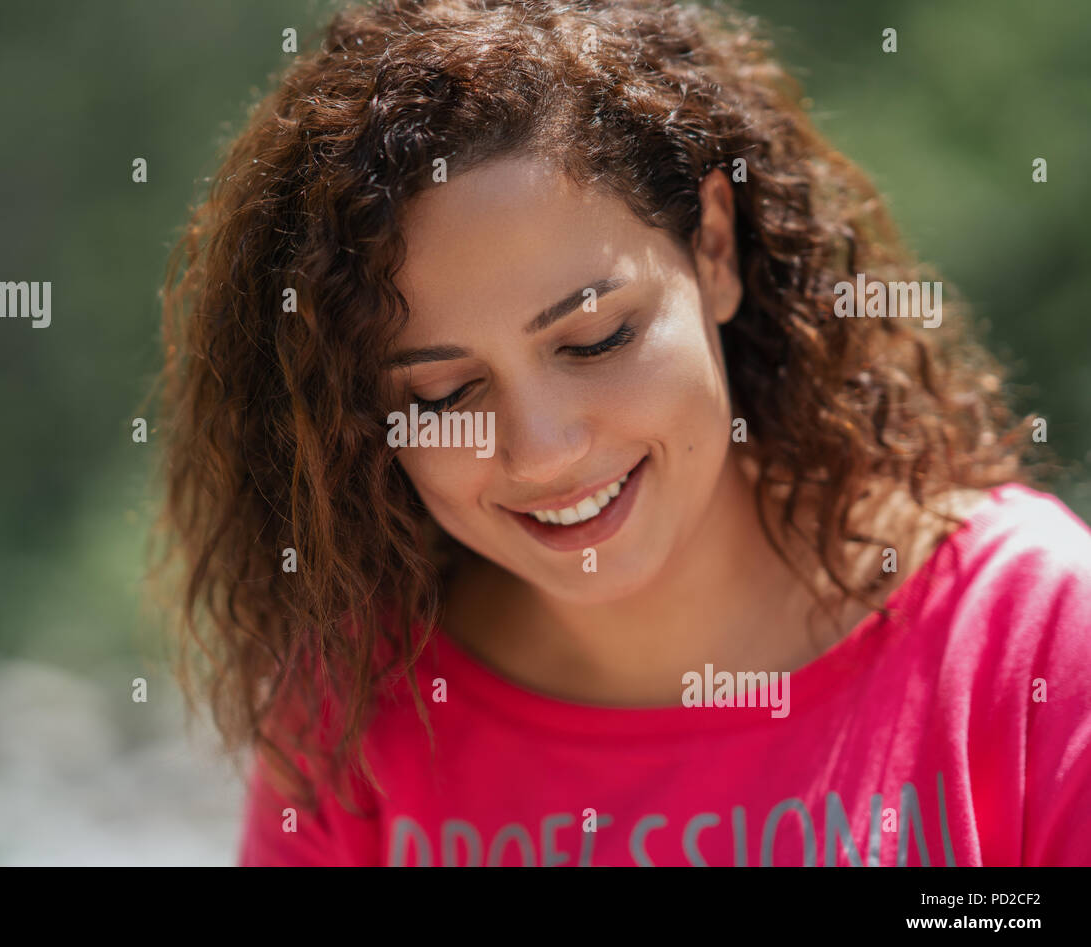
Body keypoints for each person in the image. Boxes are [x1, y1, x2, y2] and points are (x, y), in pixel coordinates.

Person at [152, 0, 1091, 865]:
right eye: (442, 394)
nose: (545, 448)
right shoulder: (355, 707)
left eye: (598, 338)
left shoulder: (1034, 633)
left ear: (714, 250)